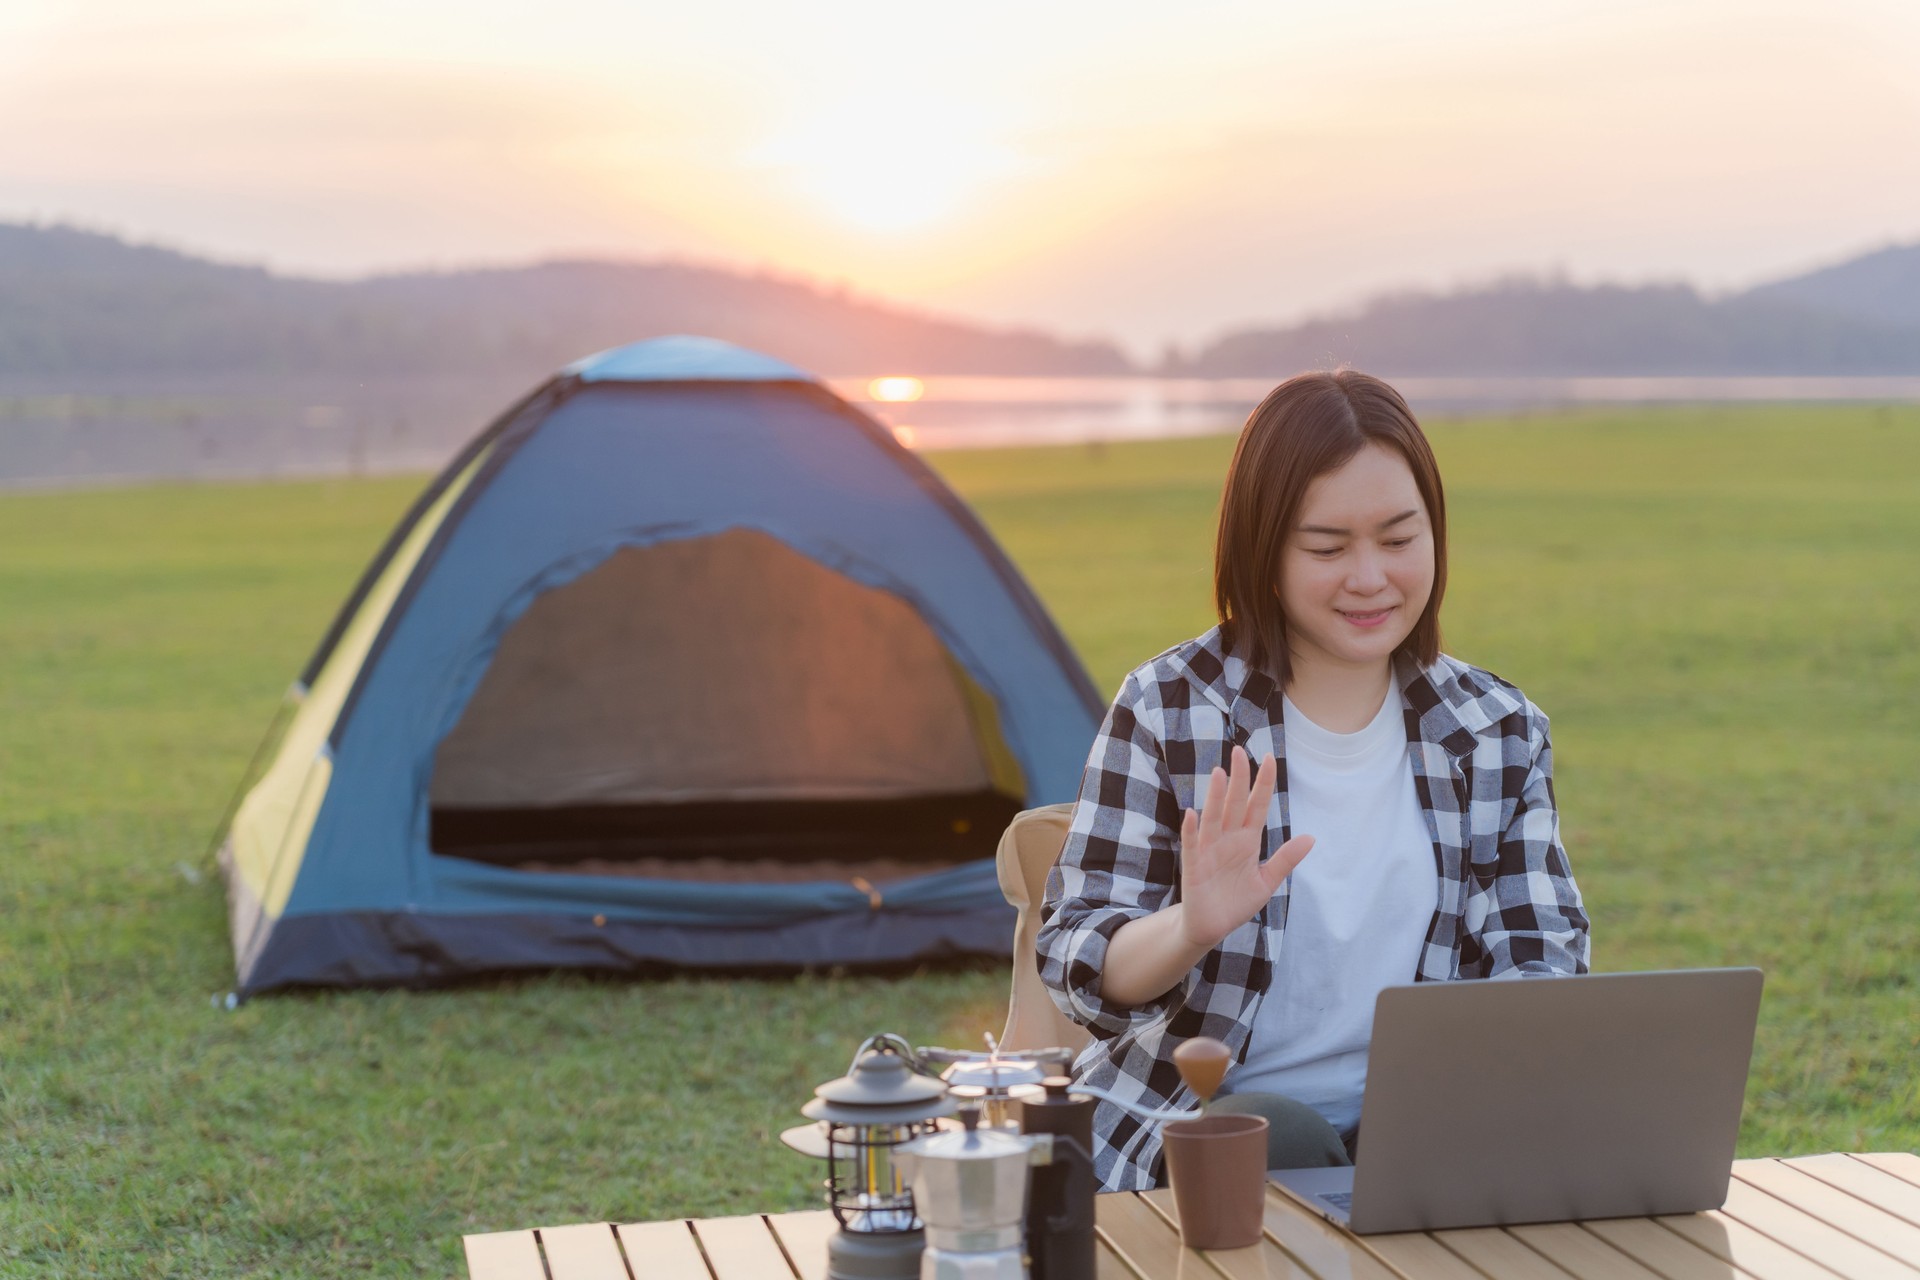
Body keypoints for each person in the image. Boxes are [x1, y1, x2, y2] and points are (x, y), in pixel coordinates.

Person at [1036, 369, 1591, 1192]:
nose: (1370, 578)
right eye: (1328, 548)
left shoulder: (1495, 730)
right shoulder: (1172, 708)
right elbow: (1076, 954)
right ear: (1262, 552)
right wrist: (1191, 925)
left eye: (1400, 540)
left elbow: (1542, 963)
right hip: (1191, 1135)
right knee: (1284, 1139)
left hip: (1418, 1140)